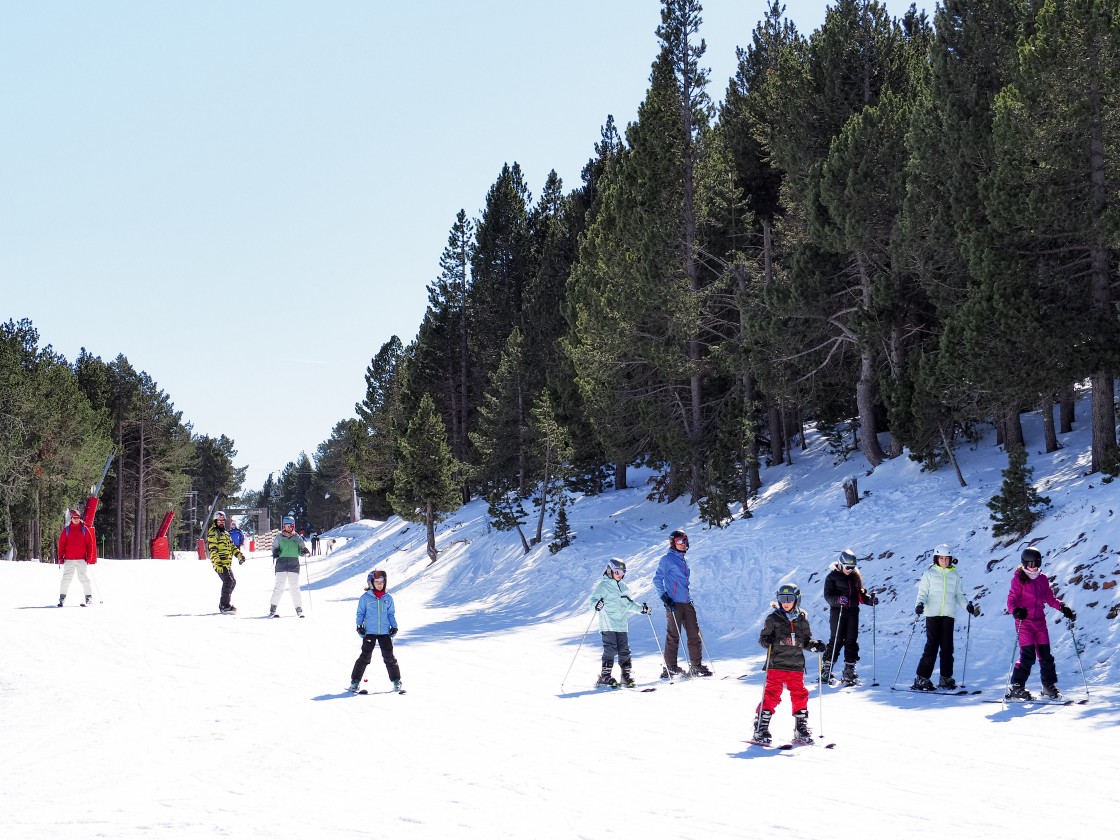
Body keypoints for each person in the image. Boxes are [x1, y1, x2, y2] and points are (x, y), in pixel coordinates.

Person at [752, 583, 828, 745]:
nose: (785, 602)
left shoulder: (802, 620)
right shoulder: (773, 619)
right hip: (777, 664)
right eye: (782, 599)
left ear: (796, 599)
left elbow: (805, 641)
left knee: (800, 695)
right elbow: (763, 640)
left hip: (796, 665)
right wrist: (767, 640)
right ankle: (761, 727)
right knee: (772, 695)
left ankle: (800, 728)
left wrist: (814, 645)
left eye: (789, 599)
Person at [1006, 546, 1076, 700]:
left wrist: (1063, 607)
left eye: (1036, 563)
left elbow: (1050, 599)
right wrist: (1016, 611)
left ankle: (1048, 686)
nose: (1033, 567)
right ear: (1024, 563)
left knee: (1046, 656)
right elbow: (1011, 601)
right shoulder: (1018, 578)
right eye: (1029, 564)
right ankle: (1016, 686)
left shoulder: (1042, 578)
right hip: (1024, 622)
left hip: (1040, 623)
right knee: (1028, 656)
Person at [911, 544, 980, 690]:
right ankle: (922, 678)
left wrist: (967, 605)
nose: (944, 561)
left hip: (948, 615)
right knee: (932, 647)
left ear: (950, 559)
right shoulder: (929, 574)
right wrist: (919, 604)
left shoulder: (955, 575)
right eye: (941, 558)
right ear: (936, 559)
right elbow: (922, 593)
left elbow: (959, 595)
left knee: (948, 648)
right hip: (932, 614)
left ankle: (945, 677)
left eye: (946, 558)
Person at [653, 529, 712, 678]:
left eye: (685, 540)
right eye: (680, 541)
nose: (683, 543)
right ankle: (670, 668)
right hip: (674, 603)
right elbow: (657, 579)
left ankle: (696, 666)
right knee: (674, 635)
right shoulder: (667, 559)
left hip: (686, 602)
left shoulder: (683, 560)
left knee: (694, 634)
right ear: (673, 543)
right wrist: (665, 597)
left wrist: (688, 598)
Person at [589, 558, 653, 688]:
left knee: (624, 650)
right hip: (608, 624)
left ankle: (625, 676)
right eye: (617, 572)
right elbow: (592, 601)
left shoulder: (624, 587)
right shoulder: (603, 585)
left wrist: (642, 609)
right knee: (610, 649)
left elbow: (629, 604)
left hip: (622, 625)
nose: (620, 575)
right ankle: (605, 676)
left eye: (623, 573)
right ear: (610, 570)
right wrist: (596, 605)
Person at [821, 549, 878, 684]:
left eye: (853, 567)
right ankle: (826, 670)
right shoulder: (832, 577)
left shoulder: (855, 576)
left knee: (852, 640)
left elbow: (861, 595)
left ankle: (849, 671)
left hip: (853, 612)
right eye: (847, 567)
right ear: (841, 564)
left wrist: (870, 600)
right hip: (838, 611)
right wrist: (839, 600)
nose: (850, 570)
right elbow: (828, 596)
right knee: (837, 640)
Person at [349, 570, 403, 693]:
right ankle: (355, 682)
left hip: (384, 632)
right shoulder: (365, 598)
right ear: (371, 583)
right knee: (365, 657)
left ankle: (396, 681)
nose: (380, 584)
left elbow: (391, 614)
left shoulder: (388, 598)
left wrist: (394, 626)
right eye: (377, 582)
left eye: (382, 582)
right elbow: (360, 613)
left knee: (389, 657)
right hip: (370, 632)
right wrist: (359, 625)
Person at [270, 515, 309, 618]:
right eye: (286, 526)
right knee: (279, 586)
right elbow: (274, 547)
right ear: (283, 526)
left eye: (290, 526)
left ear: (293, 526)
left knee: (294, 587)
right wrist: (275, 552)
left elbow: (301, 550)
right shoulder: (279, 536)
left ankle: (298, 608)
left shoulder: (297, 537)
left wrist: (304, 551)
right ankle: (273, 608)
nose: (288, 528)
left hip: (293, 564)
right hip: (281, 564)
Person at [57, 509, 96, 607]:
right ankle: (62, 598)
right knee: (66, 579)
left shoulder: (84, 529)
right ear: (71, 518)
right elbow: (61, 544)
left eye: (78, 518)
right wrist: (60, 557)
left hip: (81, 559)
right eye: (74, 518)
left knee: (83, 578)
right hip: (69, 559)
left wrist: (89, 556)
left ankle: (88, 598)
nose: (76, 519)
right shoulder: (66, 530)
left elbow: (90, 543)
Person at [208, 510, 245, 614]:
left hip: (227, 564)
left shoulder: (226, 533)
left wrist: (239, 555)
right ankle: (224, 605)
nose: (221, 522)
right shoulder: (213, 532)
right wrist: (217, 563)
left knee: (233, 582)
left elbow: (232, 547)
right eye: (219, 520)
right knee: (228, 581)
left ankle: (223, 602)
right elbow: (213, 550)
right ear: (215, 520)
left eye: (223, 521)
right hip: (219, 564)